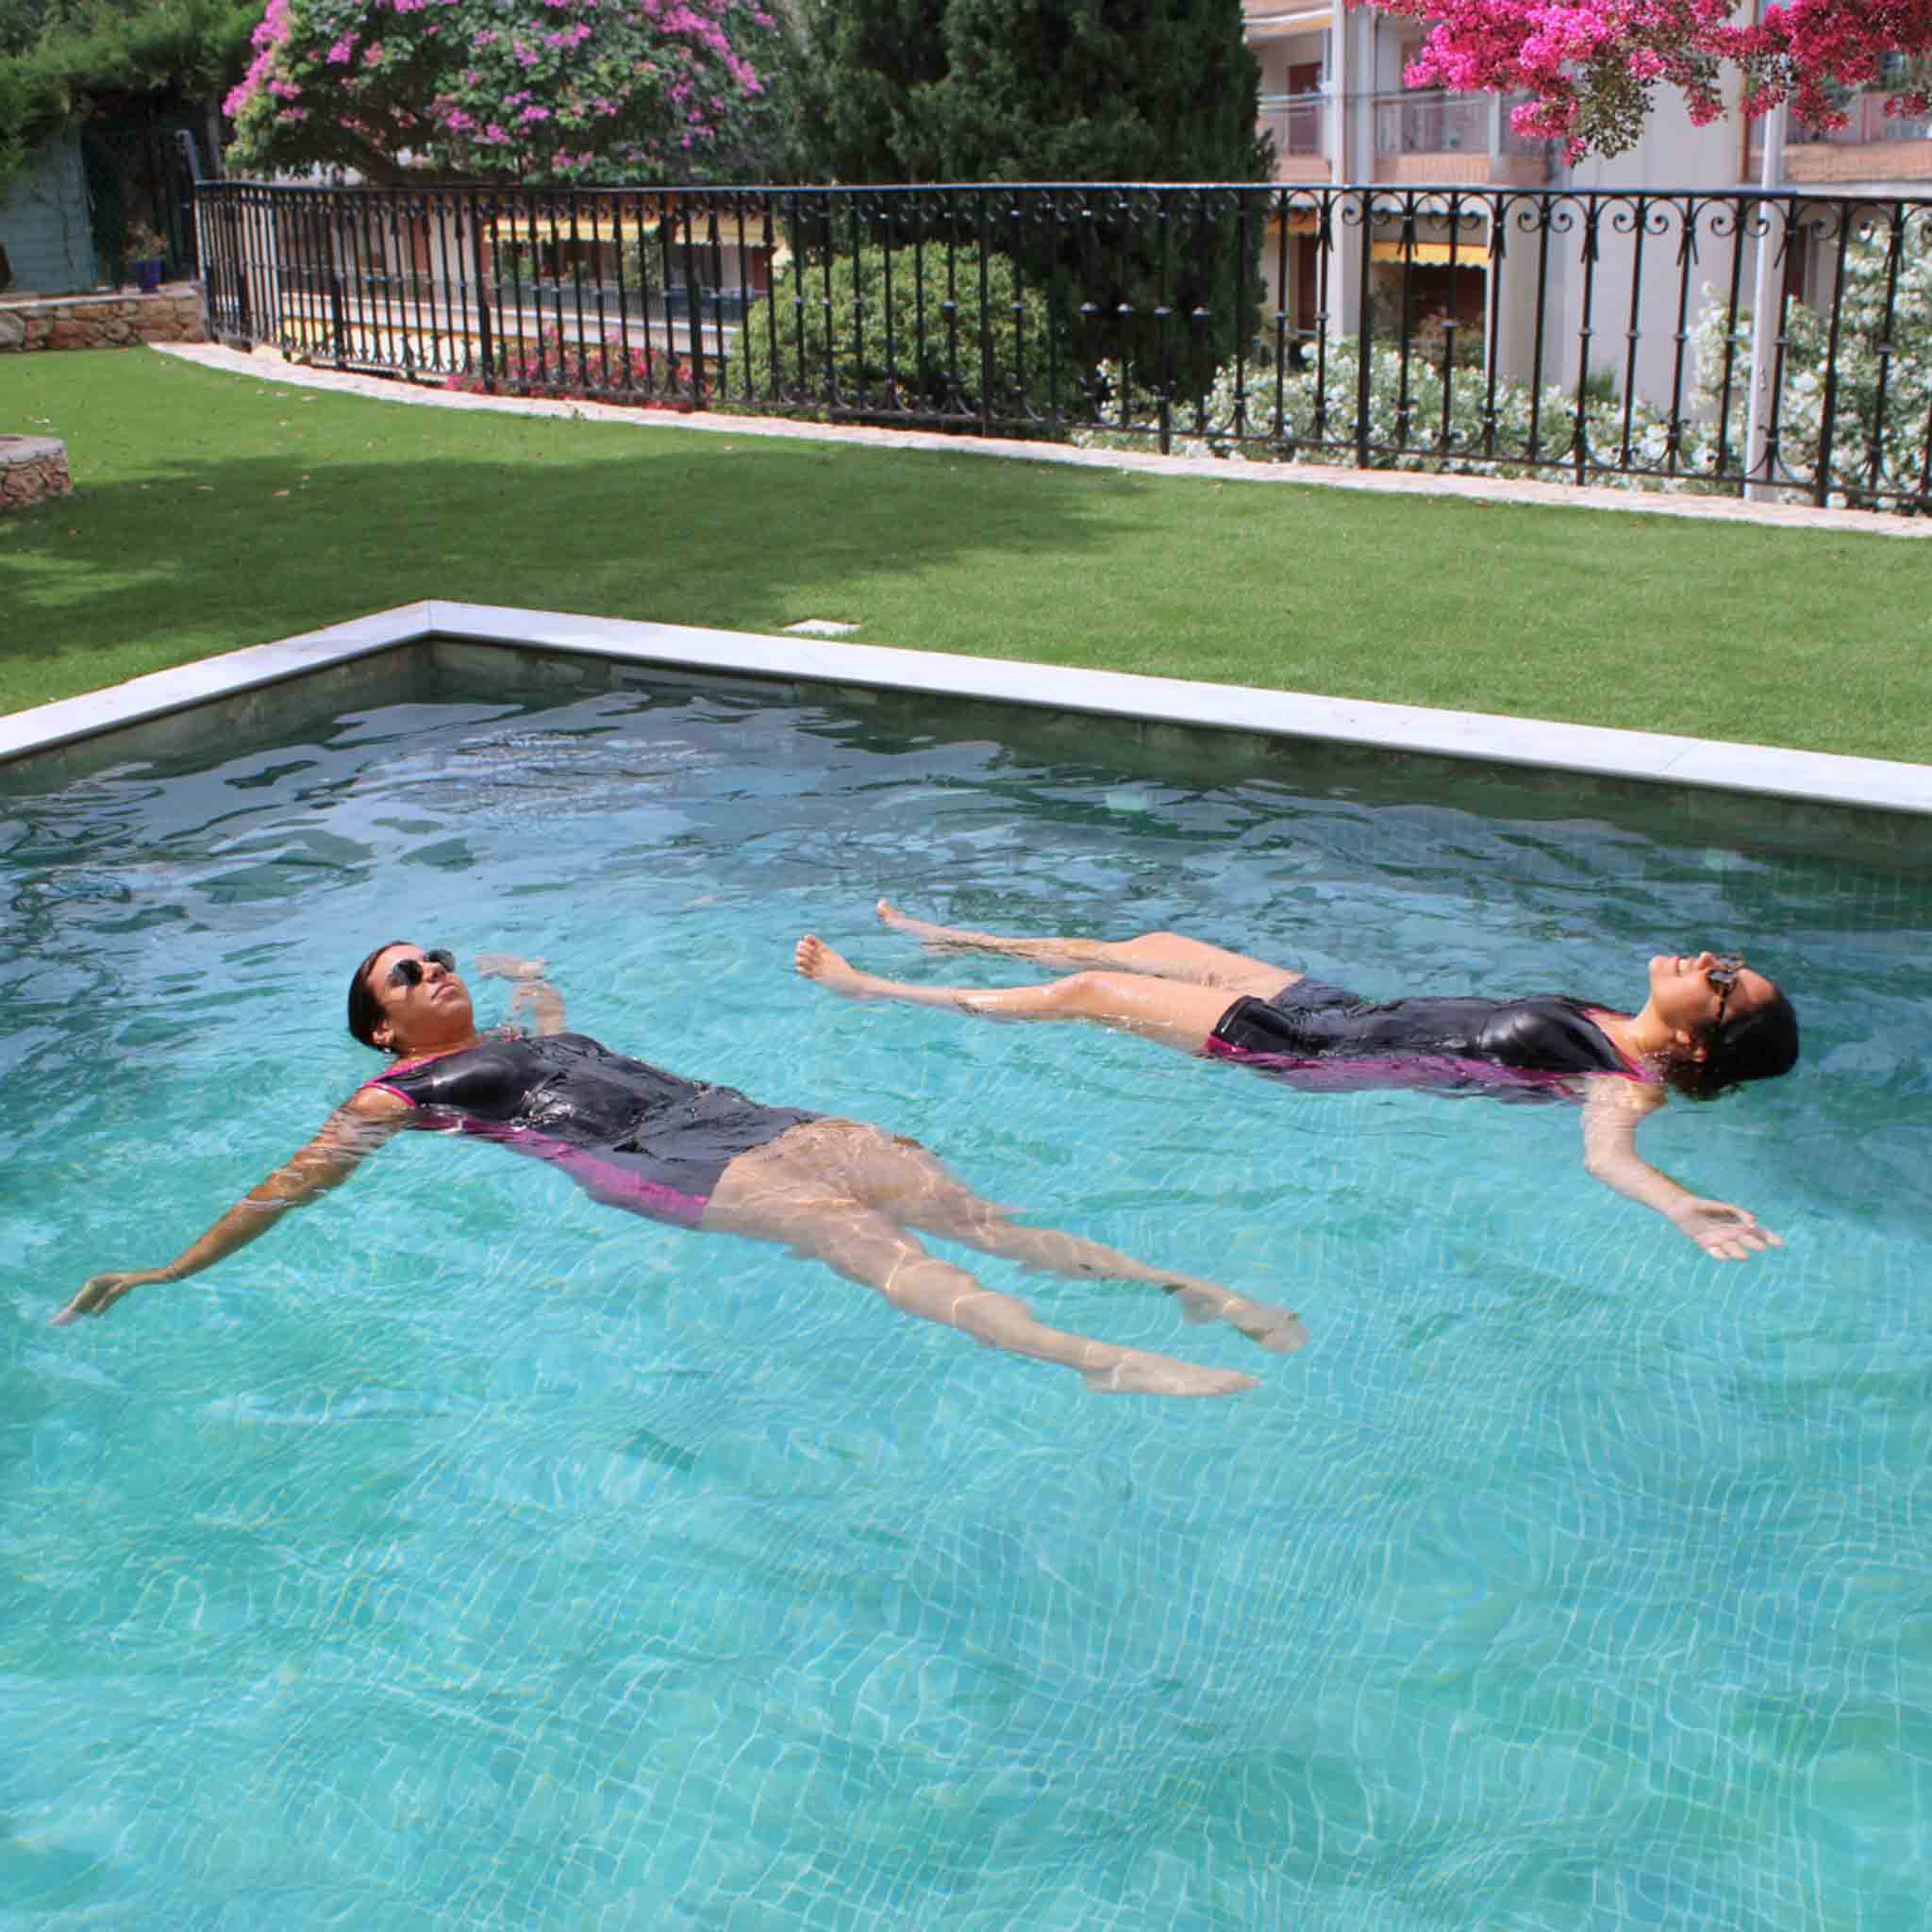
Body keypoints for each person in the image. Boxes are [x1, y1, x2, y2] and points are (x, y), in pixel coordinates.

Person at [52, 943, 1307, 1398]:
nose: (432, 970)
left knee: (981, 1214)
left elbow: (558, 1038)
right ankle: (1099, 1362)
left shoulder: (520, 1031)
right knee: (881, 1252)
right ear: (385, 1029)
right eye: (405, 977)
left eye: (434, 955)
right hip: (662, 1165)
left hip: (744, 1114)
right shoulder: (395, 1092)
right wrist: (168, 1268)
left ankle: (1184, 1287)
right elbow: (290, 1184)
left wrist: (536, 992)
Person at [795, 903, 1802, 1263]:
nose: (1707, 960)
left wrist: (1678, 1206)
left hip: (1307, 1051)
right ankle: (950, 937)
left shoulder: (1619, 1077)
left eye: (1720, 982)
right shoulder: (1603, 1016)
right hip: (1344, 1005)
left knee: (1094, 989)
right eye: (1724, 962)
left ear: (1702, 1048)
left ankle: (873, 988)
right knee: (1150, 945)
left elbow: (1609, 1156)